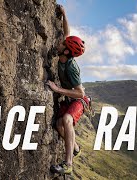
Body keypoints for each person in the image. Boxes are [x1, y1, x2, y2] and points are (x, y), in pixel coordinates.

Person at [46, 4, 89, 175]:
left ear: (66, 50)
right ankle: (76, 148)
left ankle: (68, 164)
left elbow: (81, 93)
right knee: (58, 125)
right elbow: (67, 33)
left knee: (67, 119)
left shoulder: (72, 67)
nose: (60, 42)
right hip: (70, 98)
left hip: (78, 100)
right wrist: (64, 14)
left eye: (63, 43)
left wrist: (57, 89)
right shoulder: (65, 53)